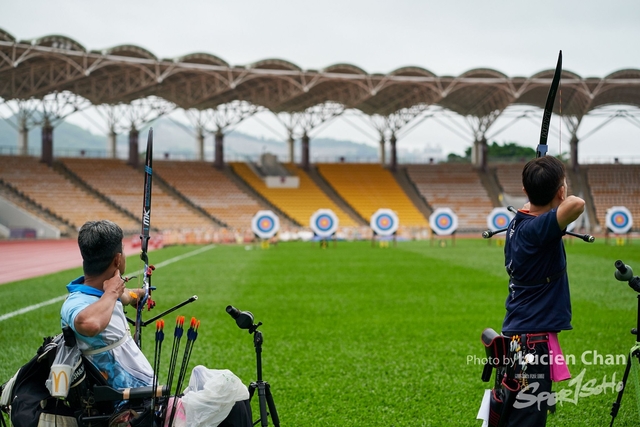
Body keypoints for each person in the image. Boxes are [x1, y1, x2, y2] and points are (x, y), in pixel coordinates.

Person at [60, 219, 251, 426]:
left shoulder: (99, 293)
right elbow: (88, 323)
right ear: (117, 259)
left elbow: (119, 296)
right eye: (123, 250)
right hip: (136, 412)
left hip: (147, 401)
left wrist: (136, 295)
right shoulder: (78, 302)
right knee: (232, 399)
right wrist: (113, 292)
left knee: (228, 394)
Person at [501, 156, 585, 426]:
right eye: (563, 187)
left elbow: (537, 206)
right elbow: (577, 204)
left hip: (518, 338)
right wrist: (559, 194)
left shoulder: (521, 222)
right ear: (560, 192)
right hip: (531, 346)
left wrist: (545, 185)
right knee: (526, 422)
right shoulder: (538, 229)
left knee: (514, 418)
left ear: (525, 191)